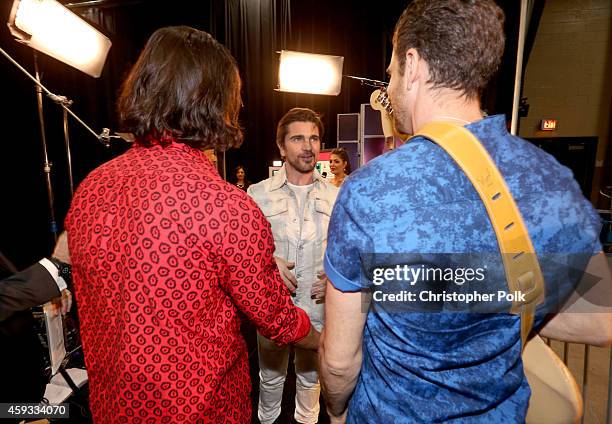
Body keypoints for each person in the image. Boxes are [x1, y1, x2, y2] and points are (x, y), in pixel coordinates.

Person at [319, 1, 612, 423]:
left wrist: (335, 409)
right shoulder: (549, 177)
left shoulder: (371, 191)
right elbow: (597, 322)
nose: (392, 85)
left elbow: (339, 364)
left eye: (392, 72)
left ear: (413, 64)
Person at [64, 26, 319, 423]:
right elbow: (275, 317)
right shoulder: (226, 206)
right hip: (201, 409)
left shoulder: (90, 190)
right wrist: (323, 340)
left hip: (114, 406)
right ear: (218, 102)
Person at [248, 107, 338, 424]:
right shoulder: (256, 194)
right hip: (273, 305)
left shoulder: (337, 195)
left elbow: (347, 249)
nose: (308, 146)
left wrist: (336, 270)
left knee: (310, 381)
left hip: (317, 305)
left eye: (314, 138)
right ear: (282, 146)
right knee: (270, 379)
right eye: (298, 138)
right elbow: (245, 251)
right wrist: (268, 259)